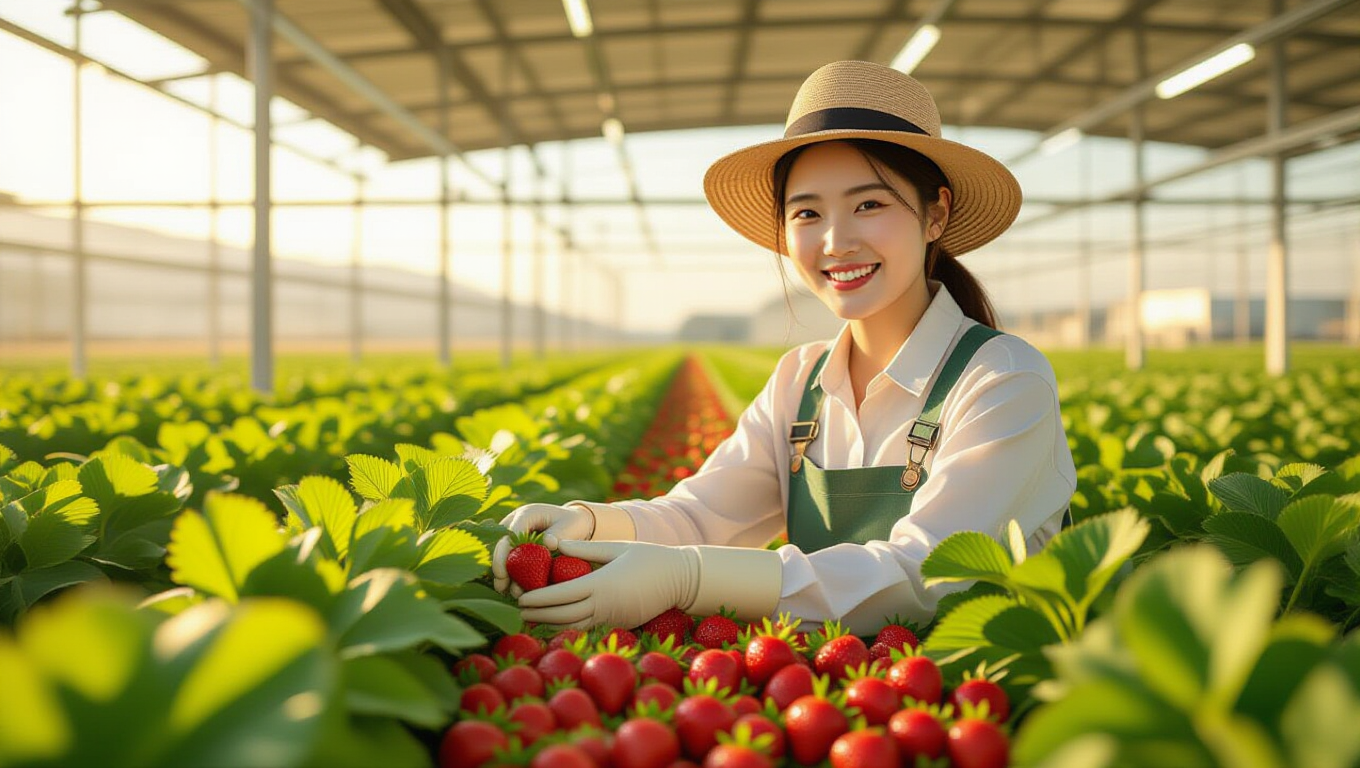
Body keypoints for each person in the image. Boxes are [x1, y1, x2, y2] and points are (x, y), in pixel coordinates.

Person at [491, 60, 1076, 636]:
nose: (836, 241)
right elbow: (703, 515)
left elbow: (926, 575)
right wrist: (589, 523)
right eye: (807, 212)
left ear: (935, 214)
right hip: (830, 705)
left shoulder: (1002, 380)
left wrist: (690, 579)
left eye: (869, 204)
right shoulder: (801, 380)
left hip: (981, 708)